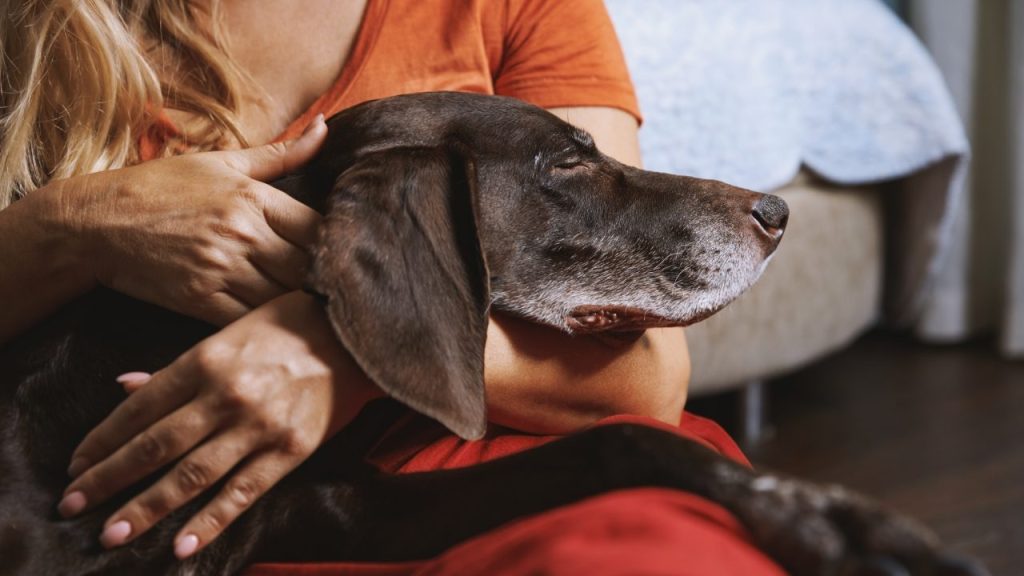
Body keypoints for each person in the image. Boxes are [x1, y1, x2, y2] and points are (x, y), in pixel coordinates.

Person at [0, 1, 761, 572]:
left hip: (489, 448)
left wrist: (351, 341)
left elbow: (648, 376)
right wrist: (67, 224)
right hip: (167, 500)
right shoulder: (39, 25)